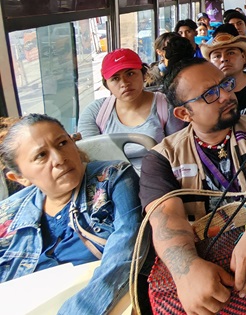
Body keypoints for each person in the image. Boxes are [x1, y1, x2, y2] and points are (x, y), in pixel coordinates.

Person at [138, 54, 246, 314]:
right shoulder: (161, 158)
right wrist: (185, 269)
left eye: (225, 84)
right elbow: (166, 219)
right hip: (205, 252)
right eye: (210, 94)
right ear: (184, 113)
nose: (225, 96)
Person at [0, 114, 141, 314]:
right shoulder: (8, 215)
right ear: (20, 177)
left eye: (62, 143)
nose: (59, 159)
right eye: (41, 156)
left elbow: (127, 251)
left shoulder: (112, 178)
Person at [77, 48, 184, 142]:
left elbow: (177, 149)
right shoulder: (95, 113)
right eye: (115, 78)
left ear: (144, 75)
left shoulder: (166, 106)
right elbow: (90, 154)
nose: (124, 83)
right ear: (107, 85)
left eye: (130, 74)